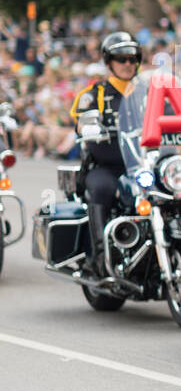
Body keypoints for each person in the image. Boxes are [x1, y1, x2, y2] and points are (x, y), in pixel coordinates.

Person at [71, 32, 141, 277]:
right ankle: (101, 259)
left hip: (145, 166)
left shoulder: (149, 92)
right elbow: (80, 120)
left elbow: (173, 114)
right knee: (101, 188)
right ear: (109, 61)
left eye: (132, 59)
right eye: (121, 59)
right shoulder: (94, 93)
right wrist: (87, 125)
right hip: (107, 167)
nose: (128, 64)